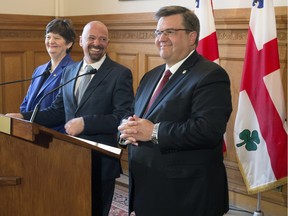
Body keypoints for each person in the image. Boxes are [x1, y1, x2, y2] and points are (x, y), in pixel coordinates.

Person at [7, 21, 134, 216]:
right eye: (91, 38)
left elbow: (121, 118)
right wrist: (23, 117)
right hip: (69, 158)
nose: (97, 43)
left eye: (103, 39)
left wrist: (86, 123)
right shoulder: (69, 72)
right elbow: (57, 112)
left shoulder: (120, 74)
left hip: (100, 163)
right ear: (81, 41)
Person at [118, 5, 232, 216]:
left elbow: (207, 130)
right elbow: (135, 116)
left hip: (186, 195)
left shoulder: (211, 75)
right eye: (158, 32)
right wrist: (126, 129)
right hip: (148, 187)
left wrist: (153, 132)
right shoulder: (151, 76)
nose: (161, 38)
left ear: (191, 37)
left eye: (170, 32)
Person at [20, 18, 76, 132]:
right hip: (31, 131)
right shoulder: (39, 70)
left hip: (55, 137)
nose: (51, 41)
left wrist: (24, 117)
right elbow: (25, 104)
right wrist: (23, 120)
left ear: (69, 44)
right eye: (48, 37)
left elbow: (60, 112)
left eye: (57, 38)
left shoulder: (72, 71)